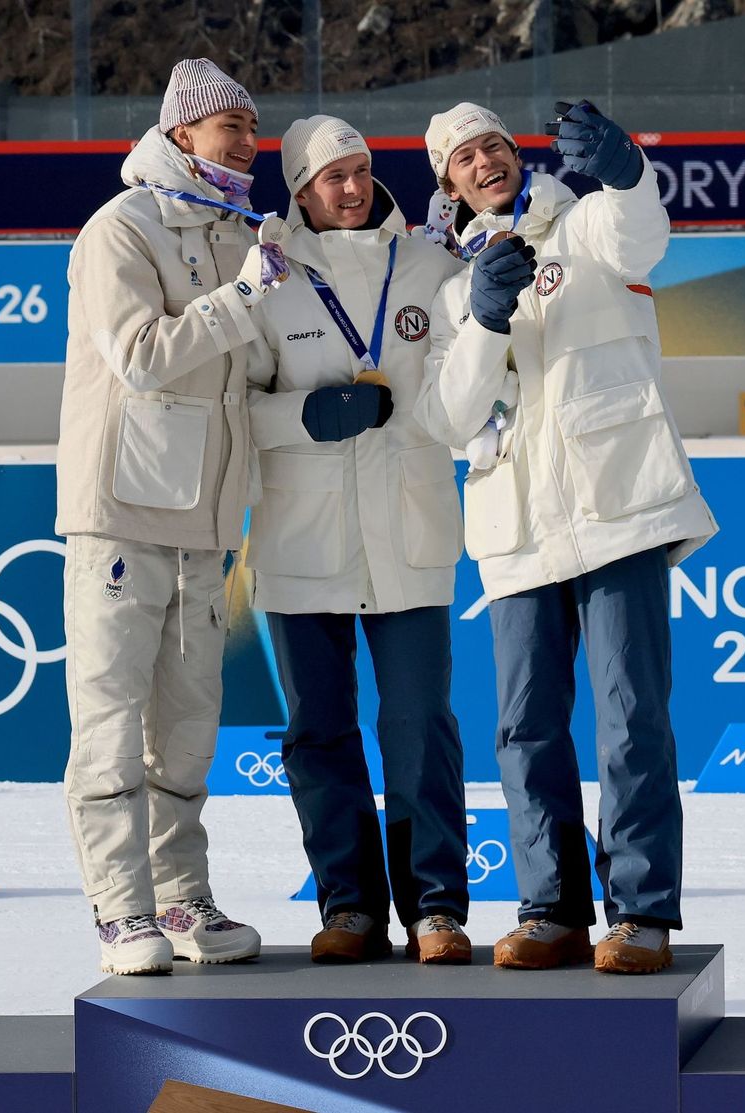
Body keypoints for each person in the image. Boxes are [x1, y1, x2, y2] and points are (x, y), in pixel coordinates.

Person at [415, 101, 718, 974]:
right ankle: (549, 907)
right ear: (449, 184)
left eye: (494, 147)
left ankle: (641, 912)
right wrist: (480, 319)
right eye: (464, 158)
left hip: (617, 506)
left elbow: (640, 231)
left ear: (517, 156)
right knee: (526, 728)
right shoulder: (446, 288)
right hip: (517, 529)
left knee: (632, 716)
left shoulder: (583, 225)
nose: (484, 164)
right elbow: (446, 416)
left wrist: (627, 170)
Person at [57, 58, 277, 975]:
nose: (248, 142)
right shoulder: (120, 227)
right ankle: (120, 910)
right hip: (121, 510)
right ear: (182, 131)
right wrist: (248, 297)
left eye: (253, 129)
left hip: (207, 518)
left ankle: (181, 899)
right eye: (231, 125)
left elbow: (248, 372)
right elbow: (143, 356)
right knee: (109, 718)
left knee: (188, 726)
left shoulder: (241, 232)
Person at [244, 116, 471, 964]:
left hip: (408, 530)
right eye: (330, 176)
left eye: (361, 169)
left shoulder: (427, 266)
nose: (350, 187)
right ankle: (349, 905)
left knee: (419, 725)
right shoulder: (267, 278)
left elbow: (469, 376)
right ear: (300, 189)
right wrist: (308, 414)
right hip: (302, 537)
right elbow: (240, 411)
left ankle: (436, 908)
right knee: (320, 731)